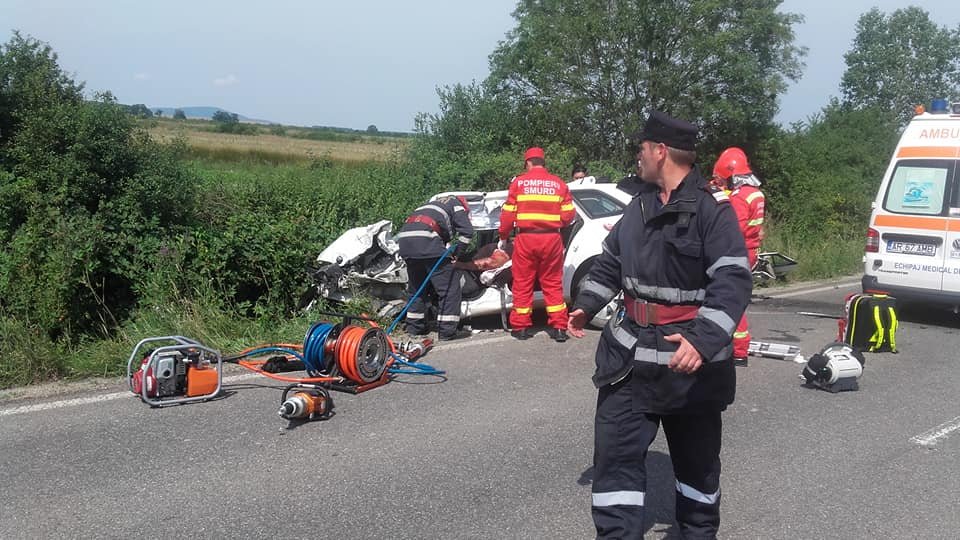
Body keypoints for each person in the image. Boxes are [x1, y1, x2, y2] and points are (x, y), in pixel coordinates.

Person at [567, 111, 752, 539]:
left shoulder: (713, 213)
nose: (638, 157)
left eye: (642, 149)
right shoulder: (639, 207)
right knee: (614, 468)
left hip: (688, 367)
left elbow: (732, 279)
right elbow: (612, 260)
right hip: (628, 361)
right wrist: (586, 303)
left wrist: (703, 340)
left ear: (660, 151)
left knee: (698, 471)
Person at [499, 147, 576, 342]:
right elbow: (569, 216)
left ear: (528, 163)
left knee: (523, 282)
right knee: (552, 283)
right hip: (551, 239)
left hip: (526, 239)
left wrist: (503, 236)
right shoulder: (558, 184)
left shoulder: (519, 183)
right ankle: (559, 327)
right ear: (544, 162)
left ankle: (521, 327)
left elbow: (507, 216)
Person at [713, 147, 766, 367]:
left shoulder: (740, 197)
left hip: (739, 252)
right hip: (751, 251)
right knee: (737, 298)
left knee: (729, 299)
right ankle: (738, 348)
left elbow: (733, 229)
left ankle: (738, 350)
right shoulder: (755, 192)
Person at [395, 195, 474, 341]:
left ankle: (415, 327)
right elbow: (467, 232)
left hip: (406, 243)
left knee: (417, 288)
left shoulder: (430, 205)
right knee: (449, 288)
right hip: (426, 241)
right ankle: (447, 331)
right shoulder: (457, 204)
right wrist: (457, 253)